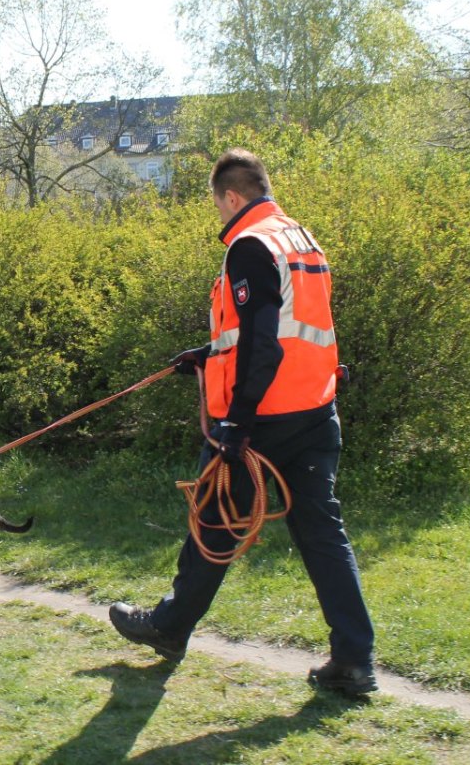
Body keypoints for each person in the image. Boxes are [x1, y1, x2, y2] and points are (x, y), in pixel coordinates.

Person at [109, 148, 377, 698]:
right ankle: (354, 659)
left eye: (215, 203)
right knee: (324, 535)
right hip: (316, 409)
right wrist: (208, 355)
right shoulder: (300, 238)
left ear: (231, 196)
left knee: (213, 523)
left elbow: (263, 343)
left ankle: (168, 626)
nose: (217, 213)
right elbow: (286, 329)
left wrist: (236, 422)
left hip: (263, 421)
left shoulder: (250, 246)